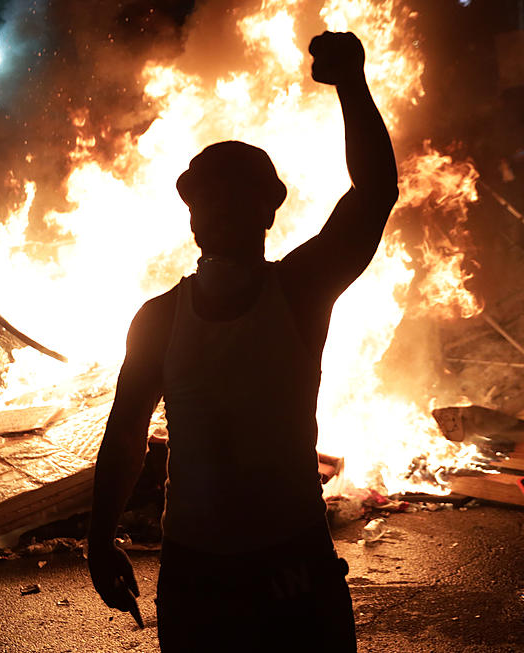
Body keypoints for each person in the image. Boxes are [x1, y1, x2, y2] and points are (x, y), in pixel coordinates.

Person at [86, 31, 398, 652]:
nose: (221, 208)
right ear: (194, 215)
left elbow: (374, 195)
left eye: (237, 195)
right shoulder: (158, 318)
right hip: (199, 574)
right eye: (210, 197)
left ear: (268, 212)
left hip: (292, 566)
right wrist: (99, 539)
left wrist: (353, 86)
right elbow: (123, 435)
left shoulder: (299, 291)